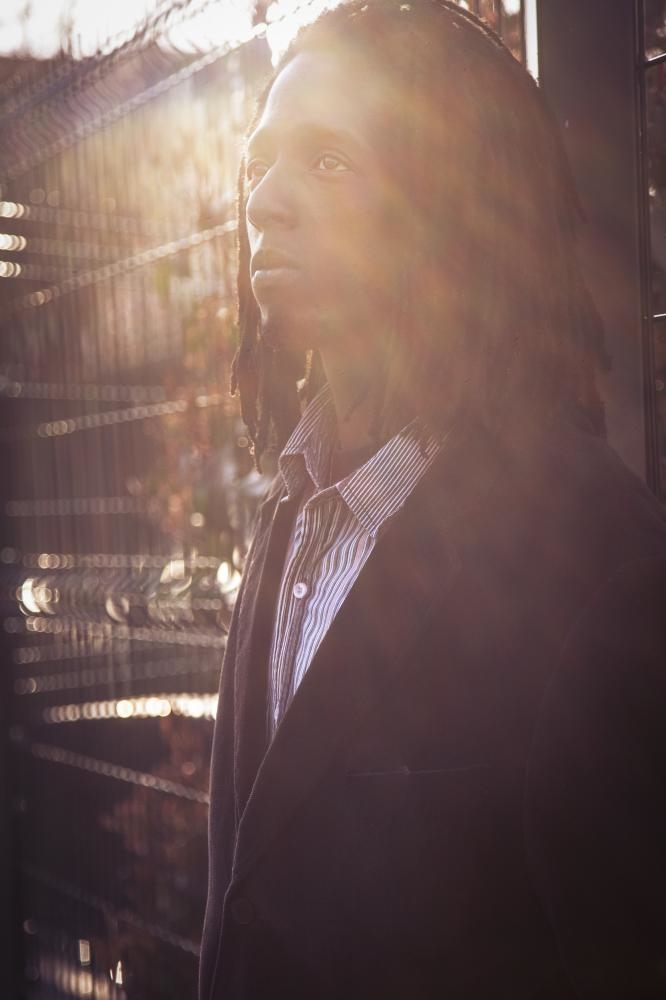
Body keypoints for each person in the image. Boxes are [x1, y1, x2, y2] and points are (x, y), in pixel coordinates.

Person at [199, 2, 666, 997]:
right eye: (258, 163)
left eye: (328, 161)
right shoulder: (294, 508)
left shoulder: (598, 556)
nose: (266, 200)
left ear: (454, 205)